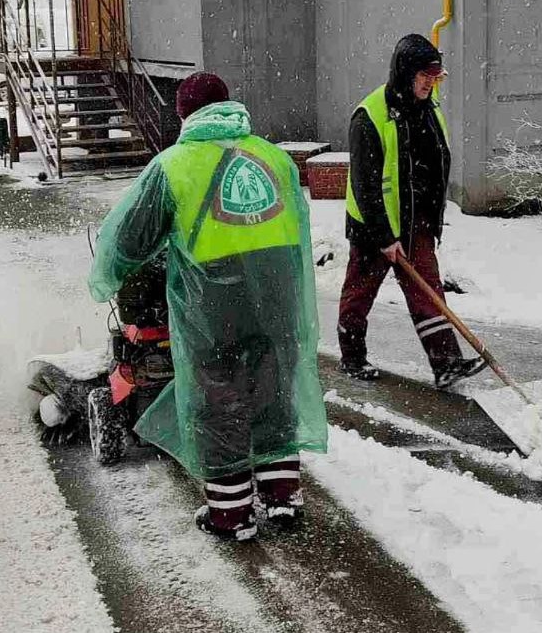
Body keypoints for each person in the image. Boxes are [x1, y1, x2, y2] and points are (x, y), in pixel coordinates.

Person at [89, 72, 327, 542]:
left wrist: (108, 276)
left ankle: (231, 515)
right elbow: (295, 228)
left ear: (183, 115)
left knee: (219, 399)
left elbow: (128, 239)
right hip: (278, 298)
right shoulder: (274, 158)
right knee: (272, 391)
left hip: (214, 303)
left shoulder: (174, 165)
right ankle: (282, 498)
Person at [338, 34, 489, 389]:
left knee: (428, 292)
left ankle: (446, 363)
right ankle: (352, 357)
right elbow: (366, 185)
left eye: (436, 77)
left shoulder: (428, 107)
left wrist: (431, 218)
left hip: (416, 222)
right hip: (374, 226)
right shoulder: (370, 116)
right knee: (360, 294)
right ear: (406, 73)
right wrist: (383, 237)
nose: (431, 83)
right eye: (425, 76)